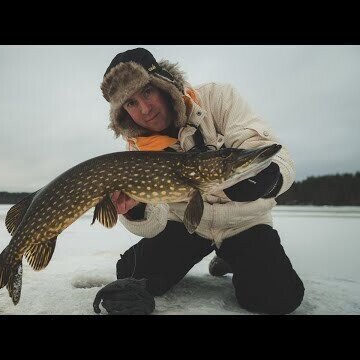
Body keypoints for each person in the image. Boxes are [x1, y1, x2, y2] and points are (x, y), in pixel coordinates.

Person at [93, 48, 304, 315]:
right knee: (132, 274)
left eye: (147, 92)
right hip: (187, 225)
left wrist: (269, 179)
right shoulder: (137, 151)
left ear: (163, 83)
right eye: (131, 103)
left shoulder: (218, 97)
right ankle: (214, 253)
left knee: (278, 298)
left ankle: (230, 256)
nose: (145, 109)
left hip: (243, 221)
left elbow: (267, 149)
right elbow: (155, 221)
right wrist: (136, 210)